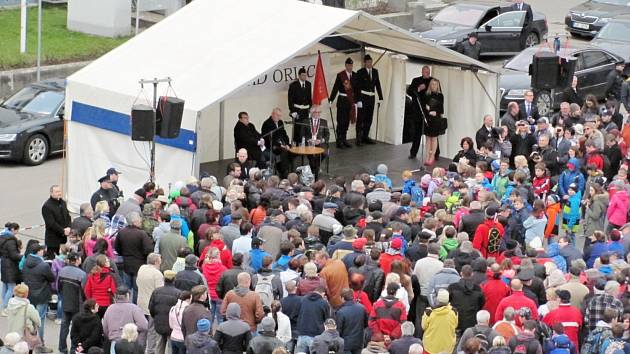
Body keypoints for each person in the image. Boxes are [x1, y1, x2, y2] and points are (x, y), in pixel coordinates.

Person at [114, 212, 154, 303]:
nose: (141, 222)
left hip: (126, 264)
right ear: (135, 221)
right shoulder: (142, 234)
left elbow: (117, 247)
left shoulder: (121, 232)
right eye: (139, 220)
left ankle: (124, 304)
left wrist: (124, 253)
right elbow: (148, 249)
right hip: (139, 265)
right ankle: (135, 307)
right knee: (137, 289)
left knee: (126, 287)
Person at [21, 243, 53, 347]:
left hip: (29, 294)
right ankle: (40, 343)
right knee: (40, 319)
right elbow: (51, 278)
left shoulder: (26, 262)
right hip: (41, 295)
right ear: (39, 251)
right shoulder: (43, 265)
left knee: (29, 318)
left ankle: (29, 340)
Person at [102, 286, 148, 353]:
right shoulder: (134, 308)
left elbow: (105, 329)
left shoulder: (110, 309)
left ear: (115, 296)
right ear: (127, 295)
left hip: (114, 343)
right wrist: (131, 329)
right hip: (131, 344)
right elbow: (144, 326)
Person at [57, 252, 86, 353]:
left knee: (64, 326)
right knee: (76, 329)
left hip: (65, 303)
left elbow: (58, 288)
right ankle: (74, 349)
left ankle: (62, 347)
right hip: (77, 306)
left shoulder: (62, 271)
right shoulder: (82, 274)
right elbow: (84, 292)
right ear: (77, 260)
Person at [148, 270, 181, 354]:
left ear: (164, 279)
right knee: (170, 347)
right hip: (172, 325)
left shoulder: (156, 291)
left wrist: (156, 317)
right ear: (174, 279)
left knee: (159, 345)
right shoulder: (178, 293)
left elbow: (151, 308)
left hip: (159, 323)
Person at [355, 54, 383, 145]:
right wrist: (358, 100)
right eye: (368, 62)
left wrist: (380, 97)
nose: (370, 63)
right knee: (360, 118)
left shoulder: (375, 71)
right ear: (364, 63)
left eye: (371, 62)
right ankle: (358, 138)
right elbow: (357, 87)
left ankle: (365, 137)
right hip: (363, 97)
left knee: (369, 118)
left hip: (372, 98)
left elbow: (378, 84)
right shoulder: (360, 72)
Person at [5, 284, 43, 352]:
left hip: (12, 336)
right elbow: (38, 322)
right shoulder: (28, 307)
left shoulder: (10, 303)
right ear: (26, 294)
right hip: (24, 338)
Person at [329, 57, 357, 147]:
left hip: (350, 101)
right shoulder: (341, 75)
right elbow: (335, 88)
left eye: (351, 65)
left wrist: (357, 100)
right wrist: (331, 99)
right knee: (341, 121)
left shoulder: (355, 75)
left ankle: (344, 139)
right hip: (342, 101)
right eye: (348, 65)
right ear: (345, 65)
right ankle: (339, 141)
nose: (350, 67)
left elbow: (356, 89)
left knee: (347, 122)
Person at [407, 65, 434, 159]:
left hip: (429, 111)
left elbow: (437, 94)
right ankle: (413, 153)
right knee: (417, 133)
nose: (427, 73)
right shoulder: (416, 80)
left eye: (428, 72)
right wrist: (418, 89)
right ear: (422, 72)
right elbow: (409, 91)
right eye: (426, 72)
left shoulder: (433, 81)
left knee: (432, 133)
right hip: (418, 110)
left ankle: (434, 154)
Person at [448, 265, 485, 332]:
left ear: (461, 273)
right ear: (472, 274)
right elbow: (481, 303)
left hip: (456, 320)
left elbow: (448, 302)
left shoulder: (452, 287)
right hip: (472, 321)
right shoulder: (477, 288)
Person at [421, 289, 458, 354]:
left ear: (437, 300)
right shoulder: (454, 312)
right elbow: (455, 325)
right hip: (448, 347)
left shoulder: (429, 312)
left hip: (430, 347)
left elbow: (423, 326)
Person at [296, 286, 330, 354]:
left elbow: (297, 314)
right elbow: (327, 320)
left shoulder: (303, 299)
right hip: (315, 336)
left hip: (302, 334)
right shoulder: (323, 303)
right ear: (323, 293)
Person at [42, 185, 71, 259]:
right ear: (51, 193)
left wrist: (69, 227)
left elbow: (67, 216)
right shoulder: (47, 206)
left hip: (63, 238)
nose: (59, 193)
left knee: (63, 258)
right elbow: (51, 223)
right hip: (53, 240)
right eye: (57, 192)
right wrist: (63, 231)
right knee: (53, 259)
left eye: (60, 191)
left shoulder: (63, 203)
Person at [335, 288, 367, 354]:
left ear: (342, 298)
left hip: (346, 344)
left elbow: (338, 331)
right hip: (359, 342)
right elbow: (365, 324)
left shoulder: (340, 312)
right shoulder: (362, 308)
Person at [261, 107, 292, 177]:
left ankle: (287, 168)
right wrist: (281, 146)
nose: (279, 117)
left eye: (280, 115)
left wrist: (287, 144)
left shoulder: (280, 122)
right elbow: (269, 139)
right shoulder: (267, 123)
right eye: (277, 115)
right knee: (284, 151)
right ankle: (283, 172)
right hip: (272, 145)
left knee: (292, 149)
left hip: (282, 143)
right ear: (272, 114)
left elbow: (284, 134)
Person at [421, 79, 445, 166]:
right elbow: (423, 107)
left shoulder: (440, 95)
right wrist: (427, 109)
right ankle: (427, 156)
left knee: (434, 138)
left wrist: (435, 112)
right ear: (430, 85)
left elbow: (441, 109)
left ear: (437, 86)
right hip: (428, 119)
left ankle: (432, 156)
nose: (433, 86)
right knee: (428, 138)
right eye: (432, 84)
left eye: (435, 84)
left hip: (436, 119)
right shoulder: (426, 94)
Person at [0, 222, 22, 315]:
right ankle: (5, 307)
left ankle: (3, 306)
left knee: (5, 285)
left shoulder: (2, 236)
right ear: (13, 229)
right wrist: (23, 257)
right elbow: (14, 255)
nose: (17, 232)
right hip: (10, 265)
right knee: (11, 287)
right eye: (17, 230)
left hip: (3, 262)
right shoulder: (11, 240)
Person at [304, 105, 330, 180]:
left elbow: (327, 135)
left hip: (320, 143)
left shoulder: (323, 122)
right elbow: (302, 135)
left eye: (319, 112)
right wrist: (309, 140)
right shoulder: (305, 122)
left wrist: (321, 140)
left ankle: (315, 168)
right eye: (316, 112)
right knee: (312, 156)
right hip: (309, 144)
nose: (318, 114)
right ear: (312, 113)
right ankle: (315, 169)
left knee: (323, 153)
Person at [288, 67, 312, 143]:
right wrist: (292, 111)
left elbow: (309, 98)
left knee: (306, 128)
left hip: (306, 110)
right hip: (297, 110)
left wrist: (310, 109)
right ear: (299, 76)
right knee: (298, 129)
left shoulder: (308, 84)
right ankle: (297, 146)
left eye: (305, 75)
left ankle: (305, 145)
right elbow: (290, 99)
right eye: (302, 75)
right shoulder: (293, 85)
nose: (304, 77)